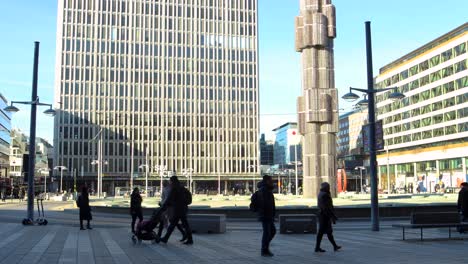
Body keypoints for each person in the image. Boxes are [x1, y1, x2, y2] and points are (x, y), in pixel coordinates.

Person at [159, 176, 193, 245]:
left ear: (172, 181)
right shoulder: (181, 187)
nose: (170, 182)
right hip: (183, 208)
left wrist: (163, 206)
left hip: (178, 209)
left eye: (170, 181)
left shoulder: (174, 188)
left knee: (175, 224)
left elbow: (169, 198)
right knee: (181, 224)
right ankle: (189, 239)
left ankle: (166, 238)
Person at [253, 175, 276, 257]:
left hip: (268, 215)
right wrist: (267, 214)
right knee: (267, 233)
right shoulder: (264, 190)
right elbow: (265, 204)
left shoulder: (267, 190)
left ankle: (265, 247)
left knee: (271, 232)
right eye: (271, 180)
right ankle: (264, 250)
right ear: (267, 181)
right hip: (265, 216)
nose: (272, 181)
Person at [315, 182, 341, 253]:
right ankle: (318, 248)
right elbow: (327, 207)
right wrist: (332, 216)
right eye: (328, 187)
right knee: (325, 232)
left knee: (326, 232)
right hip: (325, 216)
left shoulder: (321, 194)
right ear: (326, 187)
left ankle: (334, 246)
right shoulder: (325, 195)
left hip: (322, 215)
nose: (329, 188)